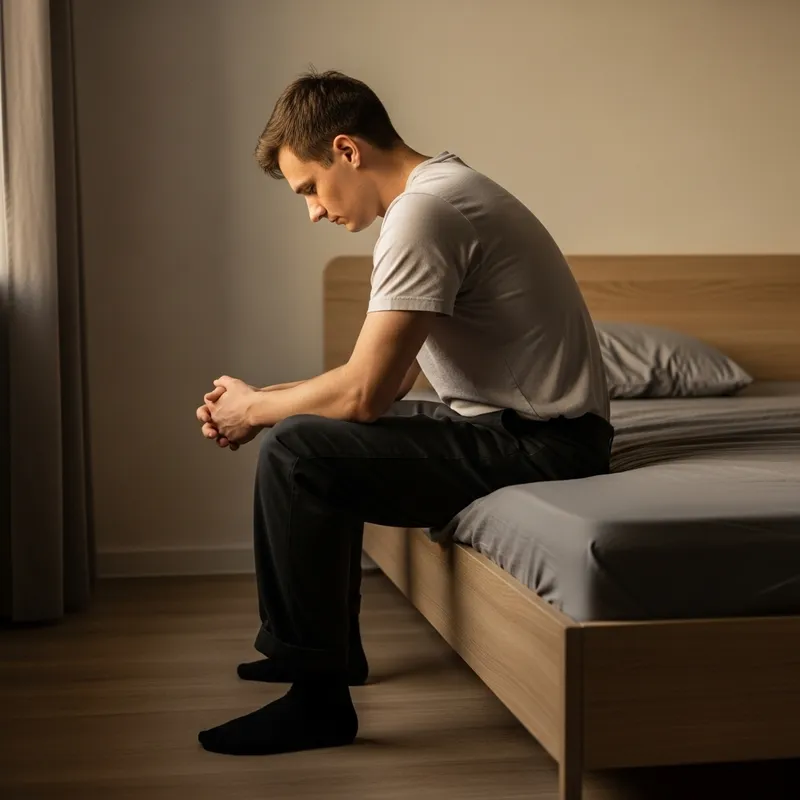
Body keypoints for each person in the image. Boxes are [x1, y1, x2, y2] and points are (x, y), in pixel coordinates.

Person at [194, 70, 613, 756]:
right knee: (309, 436)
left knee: (297, 452)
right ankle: (328, 652)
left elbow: (363, 392)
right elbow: (382, 380)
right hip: (516, 427)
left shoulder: (425, 214)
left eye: (309, 189)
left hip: (545, 444)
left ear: (347, 151)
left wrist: (256, 412)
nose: (314, 212)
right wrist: (258, 402)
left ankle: (317, 699)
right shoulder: (440, 195)